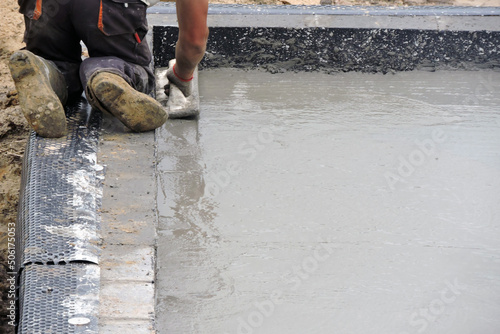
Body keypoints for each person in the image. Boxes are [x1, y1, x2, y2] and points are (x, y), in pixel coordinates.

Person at [9, 0, 209, 138]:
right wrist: (182, 75)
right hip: (109, 7)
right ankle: (110, 75)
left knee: (55, 61)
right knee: (128, 66)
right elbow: (194, 42)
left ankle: (44, 71)